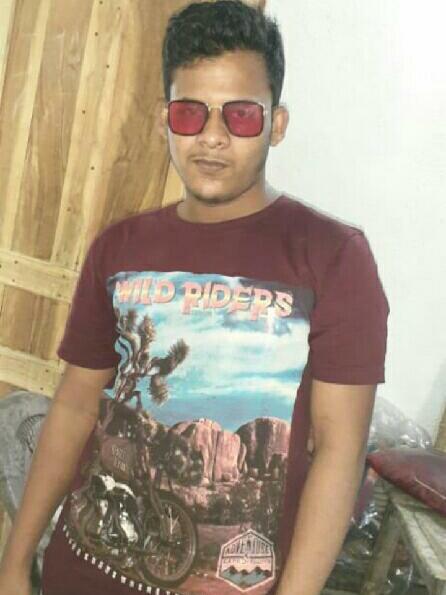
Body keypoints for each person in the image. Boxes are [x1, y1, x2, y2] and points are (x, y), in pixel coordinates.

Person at [0, 1, 389, 594]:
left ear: (277, 124)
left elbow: (340, 452)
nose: (211, 137)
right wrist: (15, 558)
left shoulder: (333, 258)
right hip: (77, 573)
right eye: (190, 113)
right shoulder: (119, 247)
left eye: (241, 115)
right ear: (165, 119)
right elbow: (75, 408)